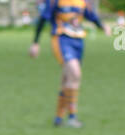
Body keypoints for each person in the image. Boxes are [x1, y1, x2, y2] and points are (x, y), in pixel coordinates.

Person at [29, 0, 109, 128]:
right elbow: (43, 18)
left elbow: (91, 16)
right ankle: (72, 117)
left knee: (67, 80)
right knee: (75, 74)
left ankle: (58, 118)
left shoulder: (82, 2)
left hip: (78, 41)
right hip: (61, 39)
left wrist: (103, 27)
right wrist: (35, 43)